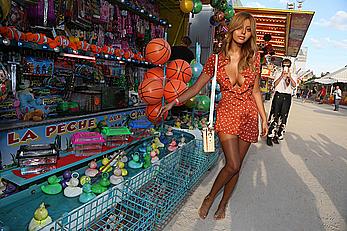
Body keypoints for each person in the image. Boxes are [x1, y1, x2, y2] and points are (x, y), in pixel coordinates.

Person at [160, 12, 268, 220]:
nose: (243, 33)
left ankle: (223, 204)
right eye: (240, 28)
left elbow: (255, 91)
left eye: (248, 30)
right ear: (232, 29)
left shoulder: (254, 59)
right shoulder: (216, 60)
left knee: (236, 168)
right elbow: (197, 87)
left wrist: (263, 118)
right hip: (227, 114)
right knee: (233, 164)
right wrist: (174, 101)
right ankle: (210, 197)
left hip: (248, 116)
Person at [266, 58, 297, 146]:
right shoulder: (278, 73)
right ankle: (269, 135)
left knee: (283, 116)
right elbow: (274, 85)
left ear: (290, 66)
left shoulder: (293, 75)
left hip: (287, 97)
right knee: (274, 115)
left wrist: (289, 76)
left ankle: (277, 135)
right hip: (278, 95)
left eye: (287, 66)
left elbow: (294, 86)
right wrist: (281, 76)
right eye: (284, 65)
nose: (285, 67)